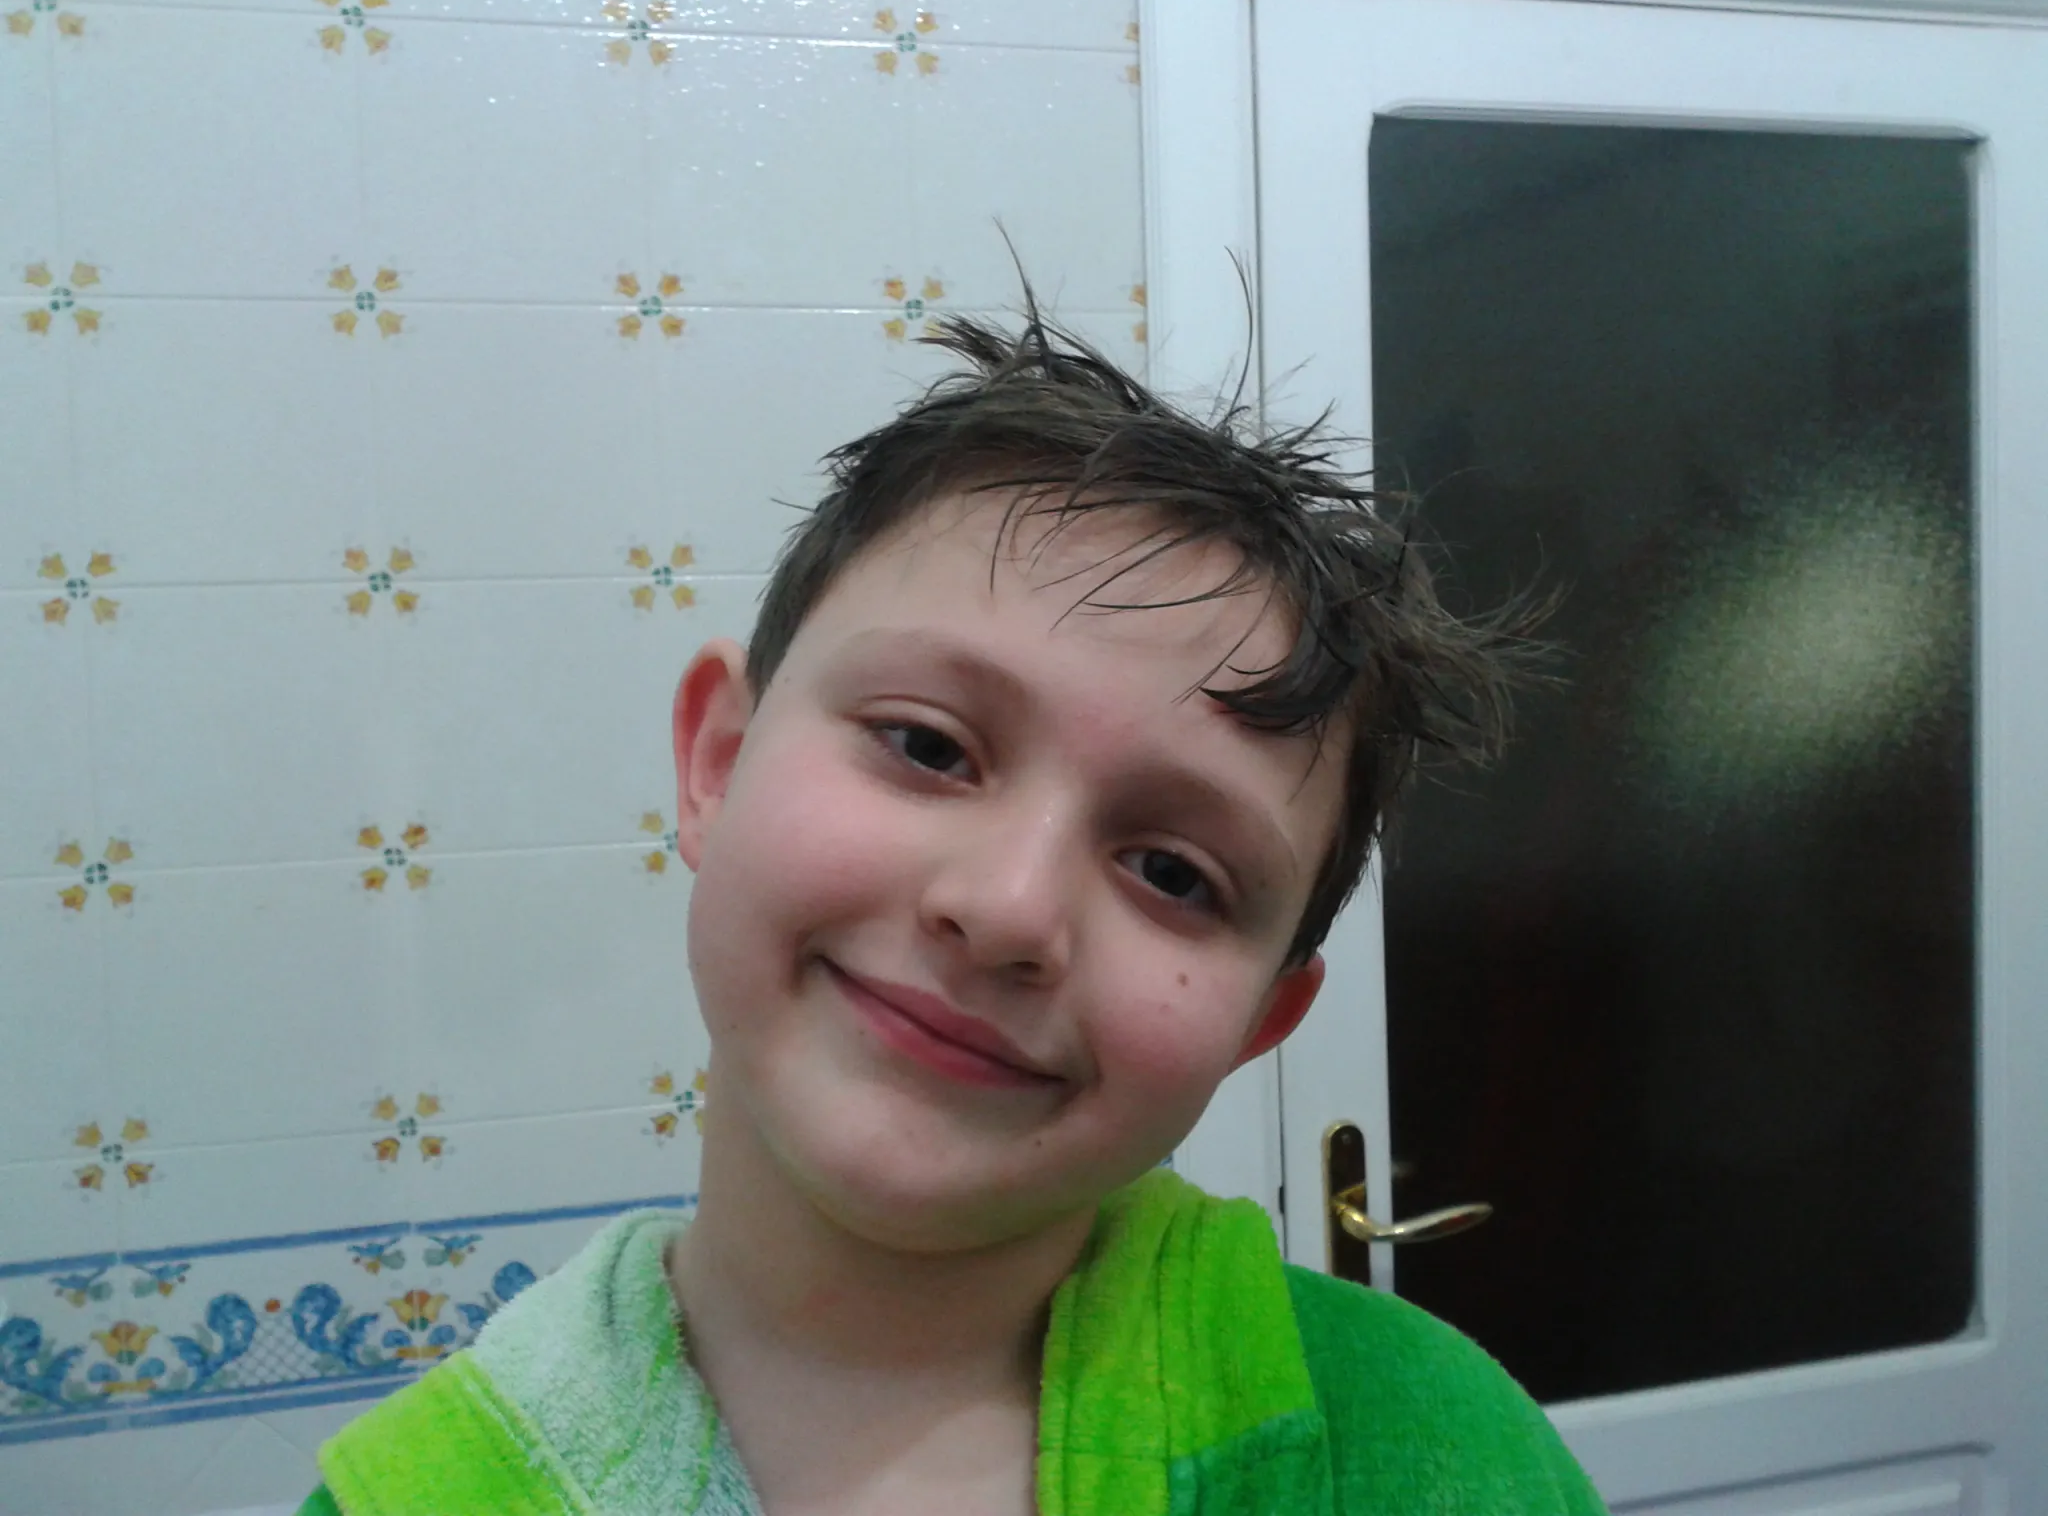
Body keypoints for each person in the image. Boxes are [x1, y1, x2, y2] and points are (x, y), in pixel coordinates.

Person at [298, 305, 1604, 1515]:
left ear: (1262, 1020)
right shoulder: (415, 1497)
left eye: (1172, 873)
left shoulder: (1437, 1453)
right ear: (719, 763)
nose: (1010, 909)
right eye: (927, 746)